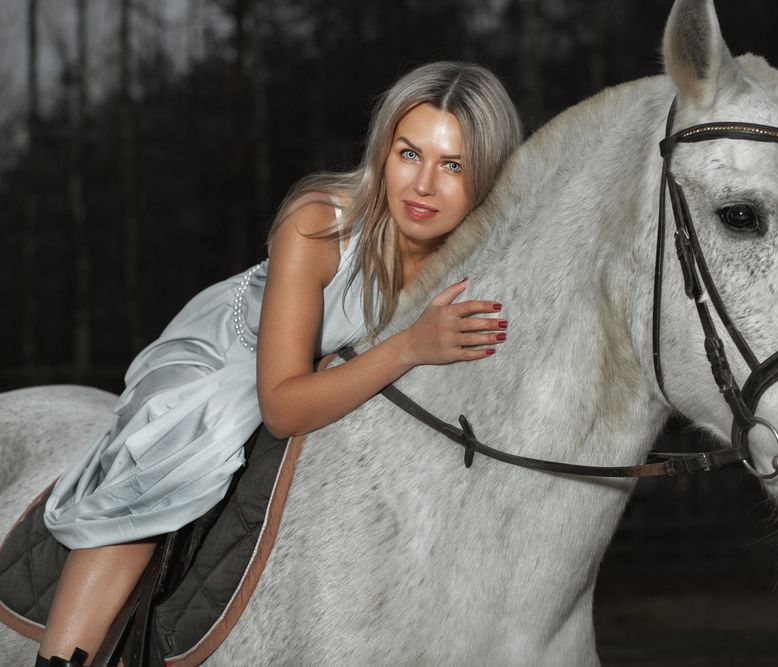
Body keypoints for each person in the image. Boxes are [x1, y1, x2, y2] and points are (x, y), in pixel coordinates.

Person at [36, 61, 523, 666]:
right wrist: (409, 346)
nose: (423, 185)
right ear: (382, 151)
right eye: (408, 153)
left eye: (453, 166)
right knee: (194, 440)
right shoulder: (318, 222)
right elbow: (283, 406)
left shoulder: (479, 259)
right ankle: (61, 657)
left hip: (328, 364)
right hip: (227, 357)